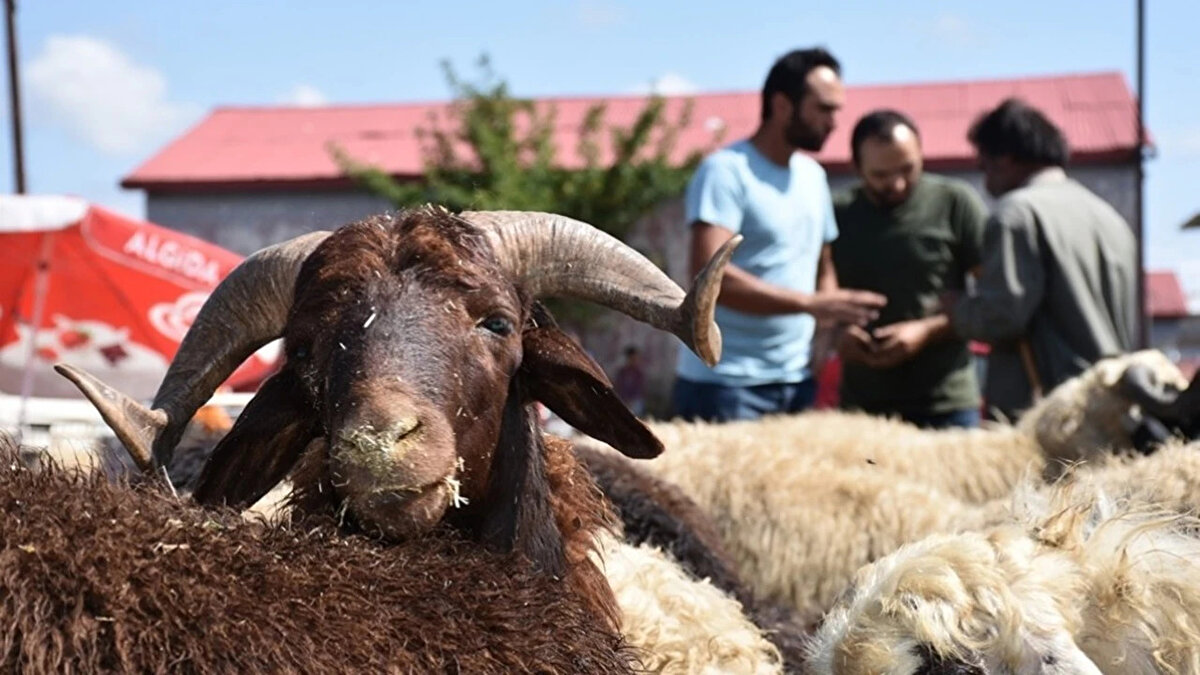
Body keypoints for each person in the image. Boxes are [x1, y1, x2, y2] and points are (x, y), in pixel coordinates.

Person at [672, 47, 886, 423]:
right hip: (725, 385)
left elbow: (823, 266)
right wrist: (812, 305)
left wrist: (828, 327)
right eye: (824, 108)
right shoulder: (726, 172)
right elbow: (709, 276)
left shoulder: (814, 177)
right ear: (783, 105)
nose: (835, 122)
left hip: (797, 380)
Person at [946, 98, 1138, 421]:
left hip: (1050, 416)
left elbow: (1002, 316)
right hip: (1110, 404)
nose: (985, 180)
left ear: (1004, 159)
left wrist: (956, 309)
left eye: (983, 167)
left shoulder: (1015, 214)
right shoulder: (1108, 217)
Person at [832, 110, 988, 429]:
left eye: (908, 169)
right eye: (881, 175)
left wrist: (928, 330)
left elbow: (994, 298)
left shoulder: (955, 203)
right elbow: (818, 296)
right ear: (857, 168)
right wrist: (837, 335)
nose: (898, 183)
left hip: (946, 404)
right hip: (864, 408)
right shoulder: (837, 214)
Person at [614, 345, 647, 416]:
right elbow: (619, 387)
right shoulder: (622, 372)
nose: (634, 360)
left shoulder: (639, 373)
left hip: (634, 401)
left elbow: (639, 390)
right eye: (632, 358)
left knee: (636, 407)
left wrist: (631, 400)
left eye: (636, 358)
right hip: (623, 400)